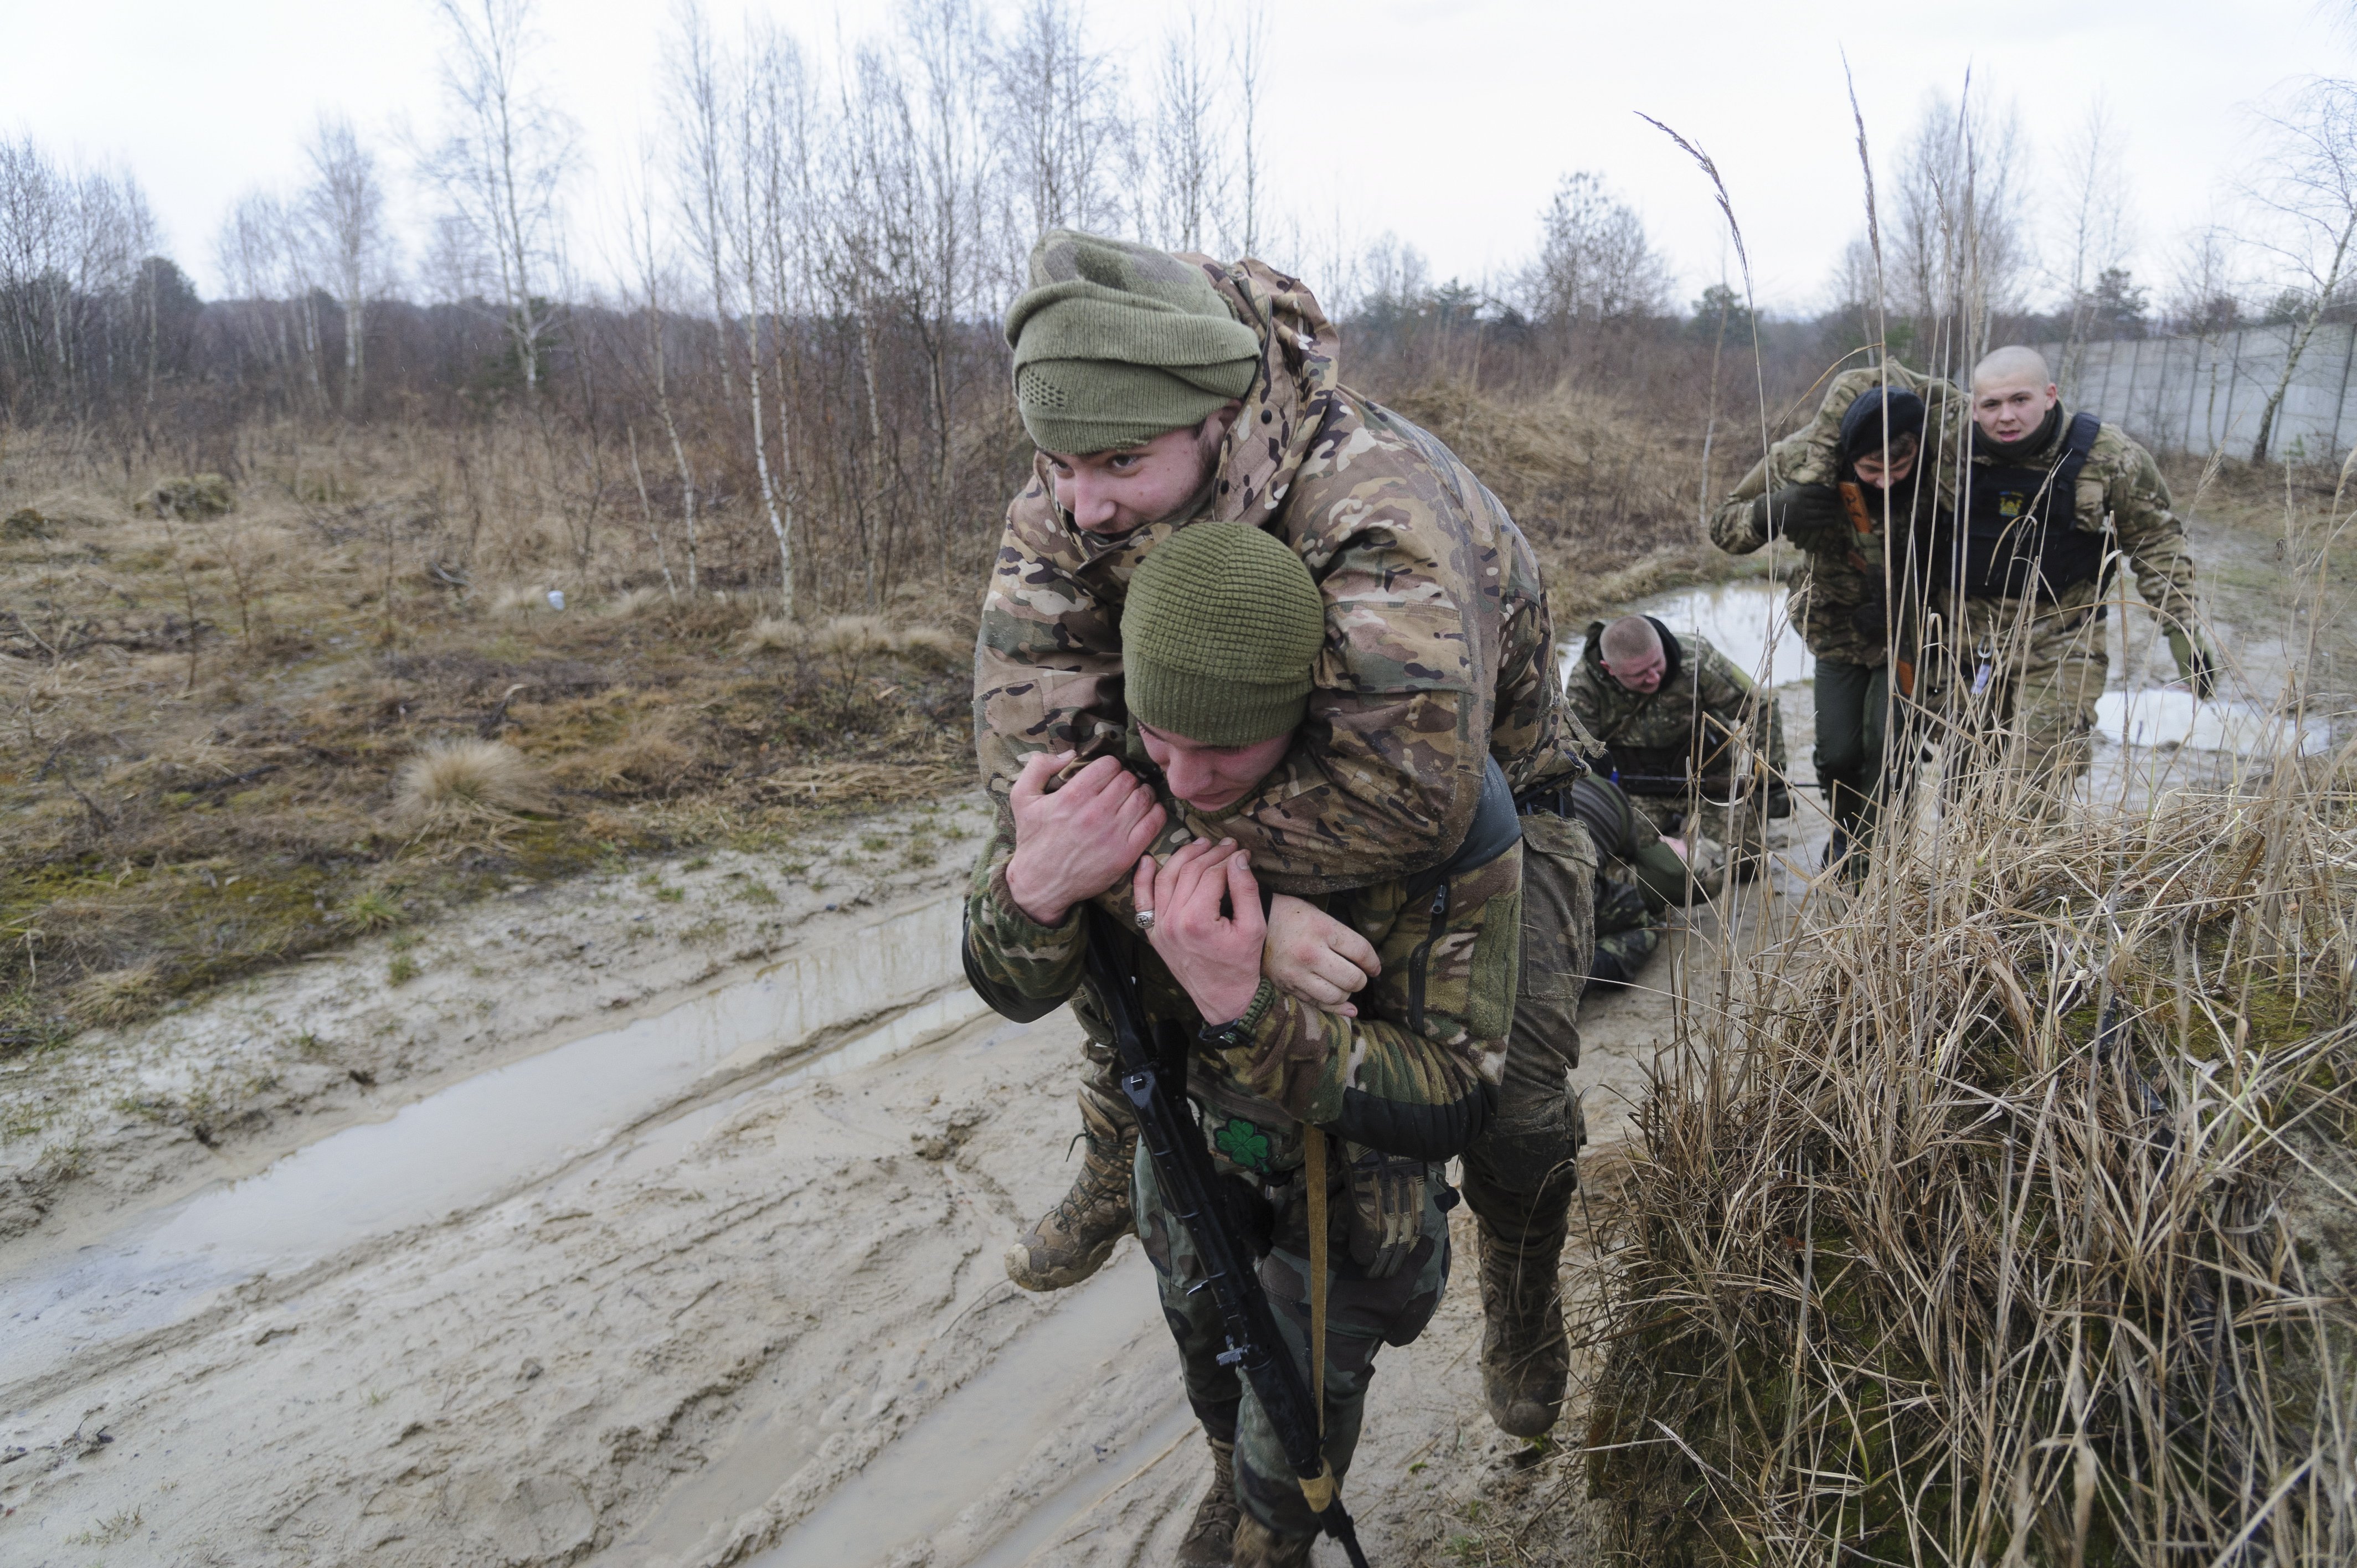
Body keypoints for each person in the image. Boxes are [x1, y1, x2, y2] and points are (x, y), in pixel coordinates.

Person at [975, 231, 1597, 1447]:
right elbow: (1027, 760)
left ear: (1216, 417)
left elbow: (1406, 796)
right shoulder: (1072, 499)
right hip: (1218, 787)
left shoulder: (1375, 505)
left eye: (1116, 461)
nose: (1082, 501)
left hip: (1484, 824)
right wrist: (1195, 905)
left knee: (1515, 1102)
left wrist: (1208, 894)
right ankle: (1118, 1139)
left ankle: (1522, 1283)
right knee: (1104, 941)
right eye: (1055, 462)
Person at [964, 524, 1526, 1567]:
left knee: (1297, 1426)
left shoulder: (1436, 806)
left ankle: (1275, 1523)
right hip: (1181, 1146)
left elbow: (1454, 1095)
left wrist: (1247, 1007)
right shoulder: (1112, 758)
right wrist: (1031, 890)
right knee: (1208, 1357)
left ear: (1298, 716)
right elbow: (1005, 982)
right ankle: (1230, 1466)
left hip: (1347, 1193)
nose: (1183, 776)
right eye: (1159, 739)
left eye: (1221, 751)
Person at [1936, 345, 2216, 803]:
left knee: (2033, 790)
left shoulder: (2106, 455)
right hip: (1967, 645)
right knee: (1963, 787)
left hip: (2060, 643)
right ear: (1973, 407)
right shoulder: (1948, 445)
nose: (2006, 416)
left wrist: (2181, 627)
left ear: (2050, 395)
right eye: (1991, 405)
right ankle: (1968, 875)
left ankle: (2021, 874)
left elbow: (2155, 539)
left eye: (2020, 400)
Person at [1709, 361, 1961, 870]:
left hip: (1914, 631)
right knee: (1839, 751)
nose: (1887, 481)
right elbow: (1723, 527)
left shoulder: (1945, 462)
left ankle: (1874, 853)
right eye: (1872, 470)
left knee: (1889, 747)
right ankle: (1848, 829)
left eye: (1900, 465)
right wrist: (1774, 511)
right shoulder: (1800, 459)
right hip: (1839, 629)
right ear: (1848, 456)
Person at [1561, 613, 1789, 876]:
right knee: (1627, 864)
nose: (1654, 677)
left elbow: (1760, 708)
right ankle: (1670, 831)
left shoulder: (1697, 659)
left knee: (1738, 867)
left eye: (1657, 664)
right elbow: (1580, 753)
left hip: (1710, 781)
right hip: (1637, 791)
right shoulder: (1585, 684)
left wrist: (1772, 778)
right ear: (1609, 669)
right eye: (1639, 674)